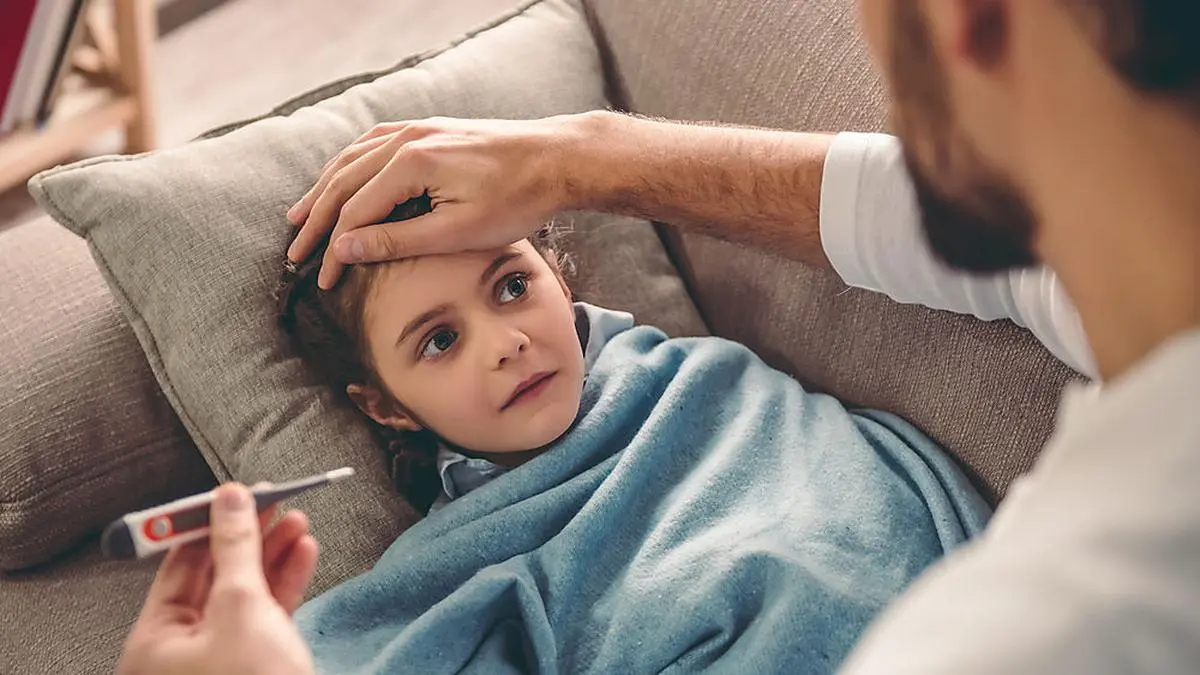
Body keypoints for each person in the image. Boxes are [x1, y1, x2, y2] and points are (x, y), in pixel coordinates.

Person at [119, 0, 1200, 673]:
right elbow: (931, 220)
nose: (504, 342)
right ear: (382, 403)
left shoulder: (1048, 631)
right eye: (437, 341)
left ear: (972, 21)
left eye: (512, 285)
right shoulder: (1101, 279)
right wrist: (582, 154)